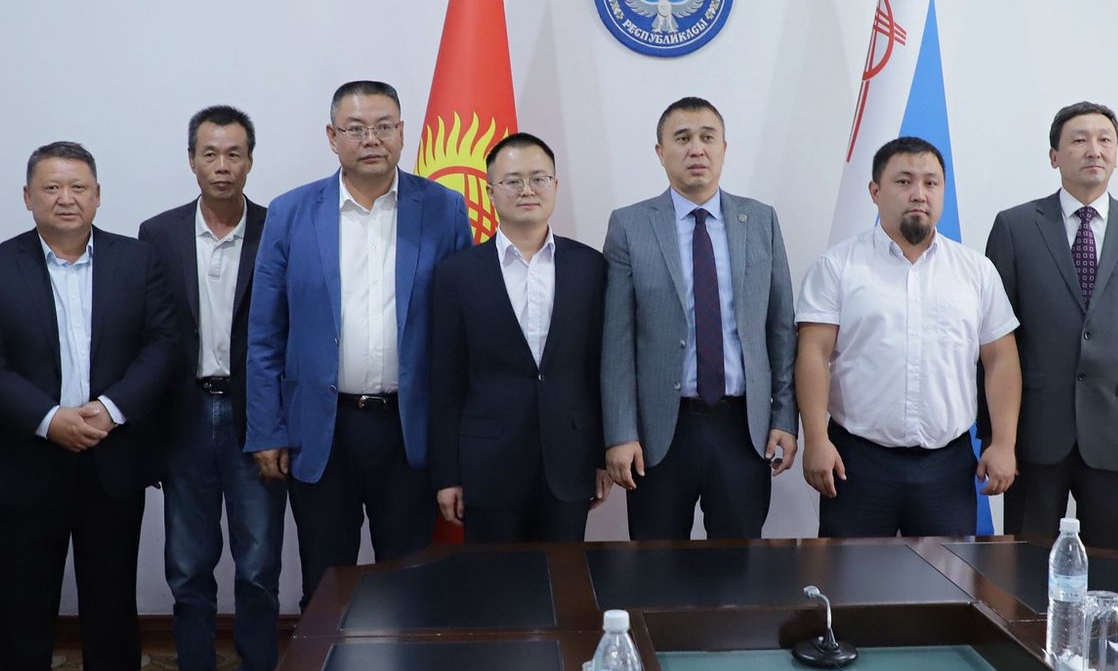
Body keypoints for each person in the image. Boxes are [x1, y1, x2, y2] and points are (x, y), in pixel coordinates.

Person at [0, 142, 184, 671]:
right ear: (27, 197)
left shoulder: (138, 261)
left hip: (112, 457)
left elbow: (164, 344)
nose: (66, 199)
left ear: (97, 195)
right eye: (52, 188)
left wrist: (110, 409)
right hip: (24, 460)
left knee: (111, 597)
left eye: (78, 187)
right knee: (22, 603)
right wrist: (49, 419)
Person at [244, 80, 471, 605]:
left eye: (384, 126)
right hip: (322, 430)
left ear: (402, 132)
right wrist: (266, 430)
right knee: (327, 587)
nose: (372, 139)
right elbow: (265, 334)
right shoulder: (291, 212)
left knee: (409, 585)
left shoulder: (444, 209)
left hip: (409, 431)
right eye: (356, 128)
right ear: (332, 136)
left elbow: (461, 334)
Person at [796, 137, 1022, 537]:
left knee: (947, 577)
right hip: (857, 462)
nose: (919, 194)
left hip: (947, 467)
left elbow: (1000, 359)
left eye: (931, 183)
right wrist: (815, 439)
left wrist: (1004, 443)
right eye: (904, 182)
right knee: (849, 576)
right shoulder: (837, 267)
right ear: (875, 191)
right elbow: (814, 354)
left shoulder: (976, 271)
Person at [985, 101, 1118, 550]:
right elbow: (995, 340)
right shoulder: (1015, 227)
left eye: (1104, 140)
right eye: (1079, 140)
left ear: (1116, 154)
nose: (1094, 149)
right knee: (1024, 566)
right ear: (1054, 156)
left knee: (1111, 567)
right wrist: (997, 437)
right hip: (1034, 433)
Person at [600, 96, 797, 540]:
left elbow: (781, 329)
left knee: (739, 565)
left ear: (724, 147)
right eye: (682, 138)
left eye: (708, 137)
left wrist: (784, 417)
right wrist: (620, 433)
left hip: (742, 429)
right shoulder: (630, 225)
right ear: (660, 152)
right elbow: (616, 342)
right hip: (659, 433)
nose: (696, 149)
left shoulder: (760, 220)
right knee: (654, 566)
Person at [136, 106, 276, 671]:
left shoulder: (277, 228)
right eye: (210, 154)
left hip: (254, 417)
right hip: (185, 416)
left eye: (234, 154)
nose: (222, 166)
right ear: (191, 159)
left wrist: (278, 425)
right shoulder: (158, 234)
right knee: (189, 568)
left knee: (258, 568)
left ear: (250, 160)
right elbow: (149, 332)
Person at [428, 132, 609, 543]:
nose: (527, 190)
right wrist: (447, 475)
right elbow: (444, 383)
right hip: (486, 466)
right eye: (512, 181)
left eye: (538, 178)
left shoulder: (590, 267)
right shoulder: (457, 274)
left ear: (555, 186)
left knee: (563, 577)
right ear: (490, 191)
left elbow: (599, 369)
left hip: (569, 461)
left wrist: (601, 454)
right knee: (495, 581)